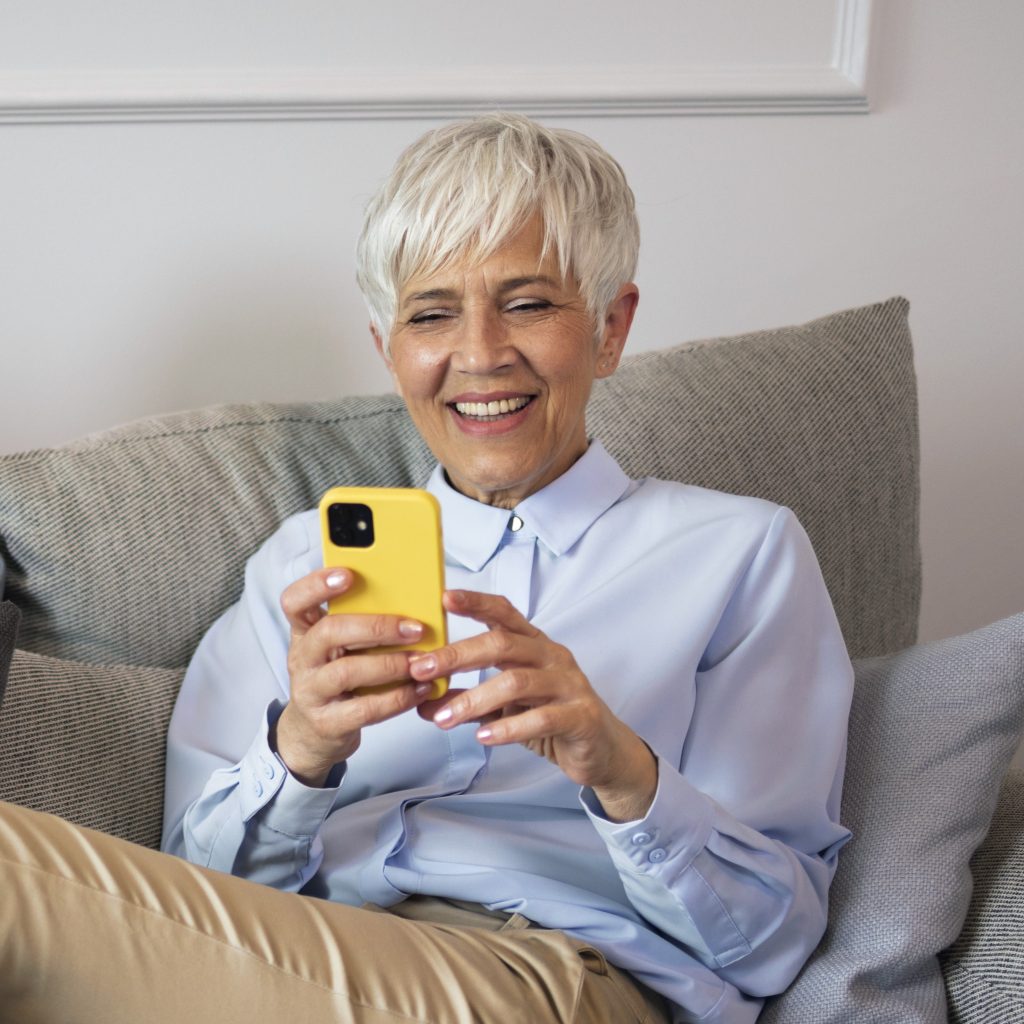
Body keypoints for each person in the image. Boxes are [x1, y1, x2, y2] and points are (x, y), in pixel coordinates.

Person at [0, 114, 852, 1024]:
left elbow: (774, 946)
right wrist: (302, 755)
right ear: (388, 350)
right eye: (432, 313)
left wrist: (619, 768)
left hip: (551, 979)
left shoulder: (740, 554)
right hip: (297, 963)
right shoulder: (303, 566)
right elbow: (181, 912)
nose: (479, 354)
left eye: (527, 303)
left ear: (610, 328)